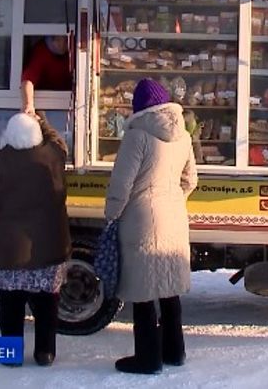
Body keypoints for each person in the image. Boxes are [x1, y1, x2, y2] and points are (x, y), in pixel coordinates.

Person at [104, 79, 198, 375]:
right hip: (174, 217)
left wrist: (111, 214)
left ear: (140, 108)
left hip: (142, 220)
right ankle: (175, 352)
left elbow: (121, 184)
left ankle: (147, 359)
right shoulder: (183, 135)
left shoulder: (137, 136)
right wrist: (173, 198)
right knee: (170, 289)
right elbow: (191, 180)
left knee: (143, 291)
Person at [0, 113, 71, 367]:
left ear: (9, 136)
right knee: (47, 303)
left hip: (10, 250)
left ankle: (11, 354)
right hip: (48, 246)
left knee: (11, 305)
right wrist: (42, 122)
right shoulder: (53, 156)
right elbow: (59, 143)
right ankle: (45, 353)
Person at [21, 35, 72, 115]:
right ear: (51, 39)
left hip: (68, 102)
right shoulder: (41, 51)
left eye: (66, 41)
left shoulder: (76, 51)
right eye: (58, 40)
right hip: (44, 101)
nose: (61, 45)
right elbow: (28, 81)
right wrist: (28, 105)